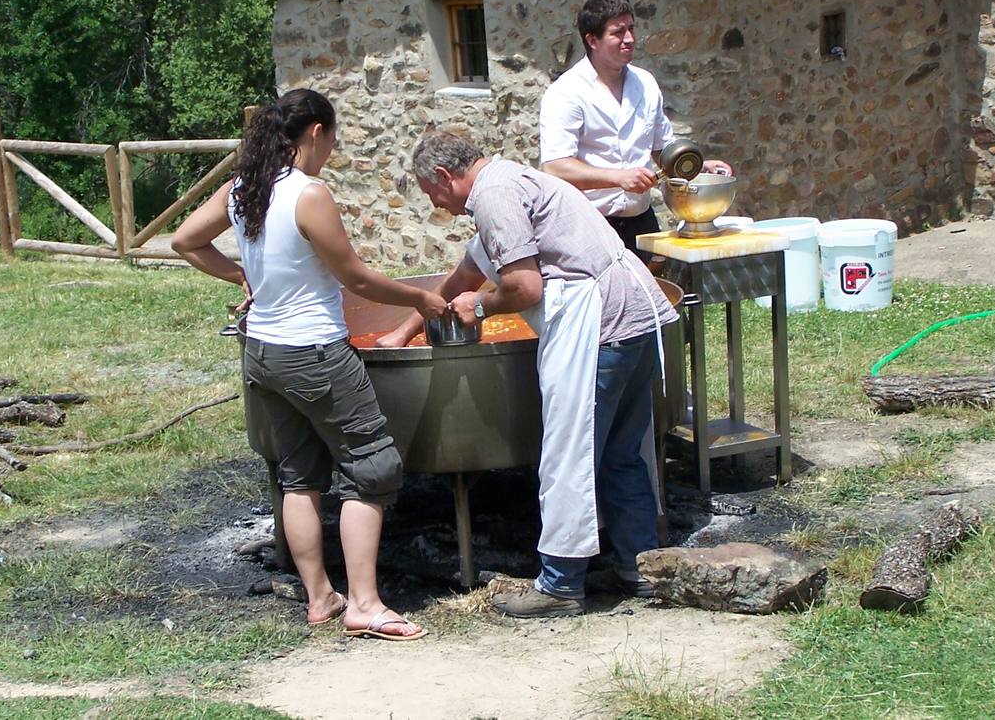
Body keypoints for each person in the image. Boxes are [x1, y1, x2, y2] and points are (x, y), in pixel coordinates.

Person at [172, 89, 444, 642]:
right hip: (315, 352)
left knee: (298, 476)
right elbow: (357, 278)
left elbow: (184, 240)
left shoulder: (243, 187)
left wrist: (240, 277)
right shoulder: (308, 194)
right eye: (333, 138)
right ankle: (364, 604)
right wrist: (419, 300)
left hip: (263, 353)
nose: (332, 149)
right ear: (315, 132)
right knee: (371, 468)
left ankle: (320, 597)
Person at [390, 130, 678, 618]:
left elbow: (524, 289)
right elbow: (463, 277)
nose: (436, 206)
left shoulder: (493, 196)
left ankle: (561, 585)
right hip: (637, 317)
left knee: (568, 454)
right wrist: (403, 332)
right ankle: (638, 567)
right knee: (620, 454)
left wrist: (478, 307)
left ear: (444, 175)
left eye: (430, 193)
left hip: (600, 325)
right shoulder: (513, 179)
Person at [539, 0, 731, 256]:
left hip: (641, 221)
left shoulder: (646, 83)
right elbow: (555, 167)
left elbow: (662, 148)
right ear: (592, 40)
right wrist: (617, 178)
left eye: (631, 29)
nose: (629, 39)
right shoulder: (566, 93)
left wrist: (697, 165)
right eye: (618, 32)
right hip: (588, 226)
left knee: (655, 293)